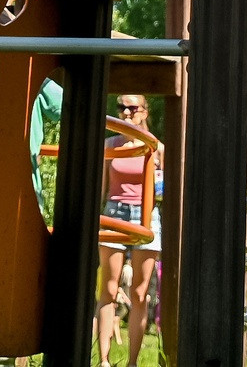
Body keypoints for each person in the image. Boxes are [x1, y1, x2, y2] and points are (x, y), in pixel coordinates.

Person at [97, 94, 164, 365]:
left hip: (146, 215)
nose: (126, 112)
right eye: (121, 107)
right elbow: (102, 189)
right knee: (109, 289)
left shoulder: (157, 148)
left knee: (139, 292)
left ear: (144, 112)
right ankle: (103, 360)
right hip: (115, 211)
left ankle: (132, 362)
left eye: (132, 108)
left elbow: (166, 190)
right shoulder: (109, 145)